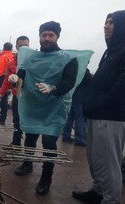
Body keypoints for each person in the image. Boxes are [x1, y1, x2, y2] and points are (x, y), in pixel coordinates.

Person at [9, 21, 92, 195]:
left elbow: (69, 82)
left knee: (48, 143)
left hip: (54, 109)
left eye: (51, 35)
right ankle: (27, 163)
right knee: (30, 137)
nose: (47, 38)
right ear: (39, 36)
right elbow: (23, 74)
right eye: (44, 35)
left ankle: (46, 178)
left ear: (57, 37)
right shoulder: (32, 57)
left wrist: (53, 88)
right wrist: (16, 78)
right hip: (33, 106)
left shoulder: (68, 59)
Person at [72, 10, 125, 204]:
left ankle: (111, 200)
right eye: (105, 22)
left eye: (111, 22)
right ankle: (98, 191)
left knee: (108, 163)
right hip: (96, 115)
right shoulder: (111, 51)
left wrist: (103, 103)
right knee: (95, 159)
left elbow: (122, 85)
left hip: (110, 117)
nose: (105, 26)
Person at [0, 36, 29, 145]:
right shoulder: (12, 62)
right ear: (16, 46)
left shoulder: (33, 60)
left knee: (28, 122)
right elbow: (7, 80)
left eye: (26, 45)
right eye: (21, 45)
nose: (24, 48)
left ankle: (29, 147)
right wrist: (1, 93)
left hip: (29, 97)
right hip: (17, 95)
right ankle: (16, 142)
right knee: (16, 121)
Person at [61, 69, 92, 146]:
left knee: (69, 117)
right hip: (80, 96)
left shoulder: (74, 69)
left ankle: (66, 136)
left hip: (72, 94)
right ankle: (79, 139)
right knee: (80, 118)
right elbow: (89, 80)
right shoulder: (84, 70)